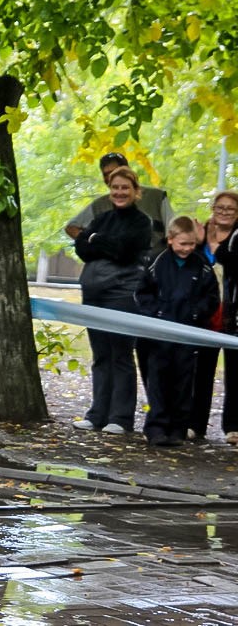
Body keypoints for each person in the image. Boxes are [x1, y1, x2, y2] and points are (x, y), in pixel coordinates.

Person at [71, 166, 152, 434]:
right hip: (93, 293)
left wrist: (95, 240)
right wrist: (95, 240)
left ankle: (120, 418)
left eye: (125, 188)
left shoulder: (142, 223)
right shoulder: (102, 218)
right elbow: (81, 248)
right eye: (115, 187)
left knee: (121, 354)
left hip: (122, 294)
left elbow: (124, 252)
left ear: (135, 191)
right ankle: (97, 414)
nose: (119, 192)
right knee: (100, 355)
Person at [135, 217, 219, 447]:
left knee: (183, 382)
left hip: (187, 333)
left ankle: (178, 429)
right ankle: (156, 427)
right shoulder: (157, 262)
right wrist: (156, 313)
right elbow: (142, 294)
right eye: (182, 244)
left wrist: (196, 313)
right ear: (170, 240)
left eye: (191, 244)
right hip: (160, 333)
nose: (187, 249)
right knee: (158, 381)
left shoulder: (201, 265)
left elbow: (211, 297)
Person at [188, 191, 238, 440]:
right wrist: (199, 243)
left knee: (236, 373)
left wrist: (218, 249)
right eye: (220, 207)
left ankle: (233, 427)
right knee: (200, 371)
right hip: (205, 313)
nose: (225, 212)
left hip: (233, 313)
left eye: (230, 208)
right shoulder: (202, 232)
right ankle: (195, 425)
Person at [65, 152, 174, 256]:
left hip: (150, 267)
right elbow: (71, 228)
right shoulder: (100, 207)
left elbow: (173, 233)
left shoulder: (156, 197)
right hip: (107, 271)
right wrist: (94, 245)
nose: (110, 177)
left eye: (115, 171)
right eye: (105, 174)